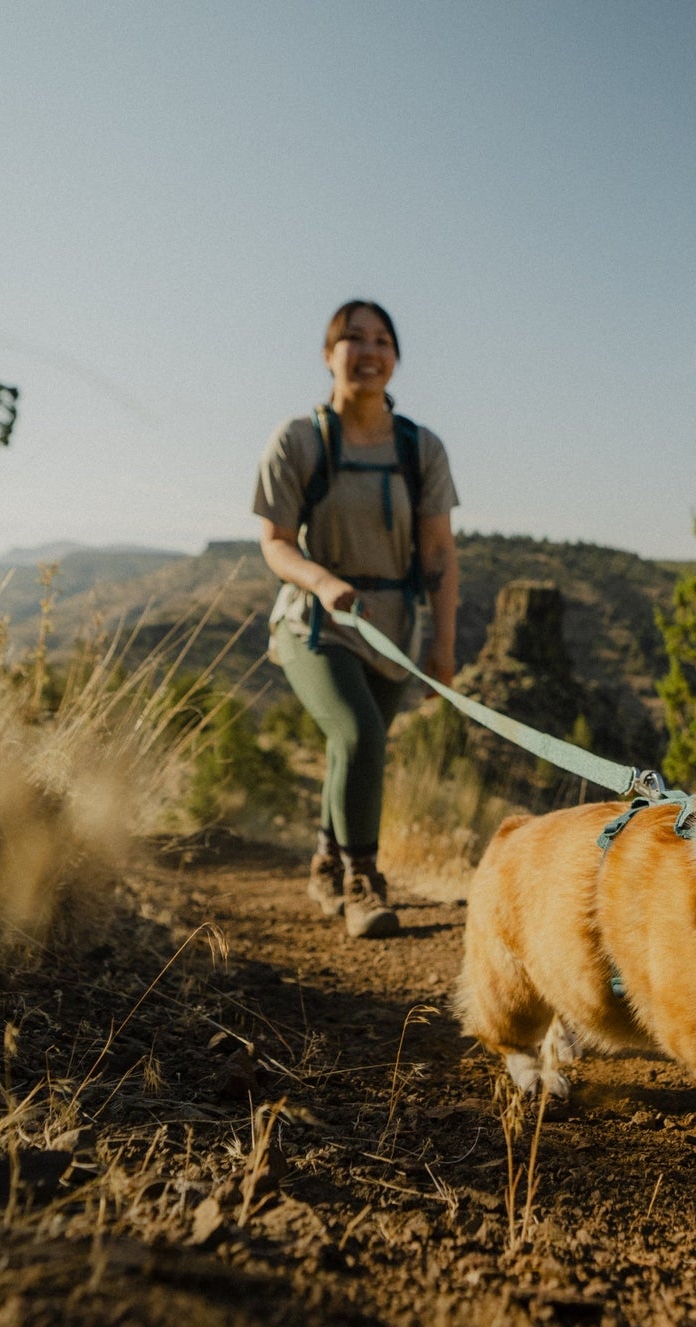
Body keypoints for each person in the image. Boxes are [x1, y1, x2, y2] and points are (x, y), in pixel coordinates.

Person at [253, 300, 460, 937]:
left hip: (395, 628)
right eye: (353, 340)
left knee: (355, 744)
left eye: (382, 341)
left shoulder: (419, 447)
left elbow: (439, 552)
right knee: (359, 735)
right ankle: (362, 884)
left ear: (396, 356)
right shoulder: (298, 440)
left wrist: (443, 647)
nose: (369, 352)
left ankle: (324, 863)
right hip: (314, 623)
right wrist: (323, 582)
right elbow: (276, 540)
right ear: (328, 354)